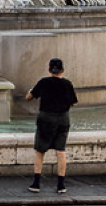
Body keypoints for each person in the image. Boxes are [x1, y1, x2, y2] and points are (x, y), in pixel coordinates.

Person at [26, 58, 77, 193]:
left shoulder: (44, 82)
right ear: (62, 70)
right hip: (63, 118)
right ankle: (61, 185)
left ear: (49, 70)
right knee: (61, 151)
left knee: (40, 150)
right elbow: (73, 103)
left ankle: (36, 184)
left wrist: (31, 90)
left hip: (46, 118)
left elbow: (28, 97)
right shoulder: (67, 84)